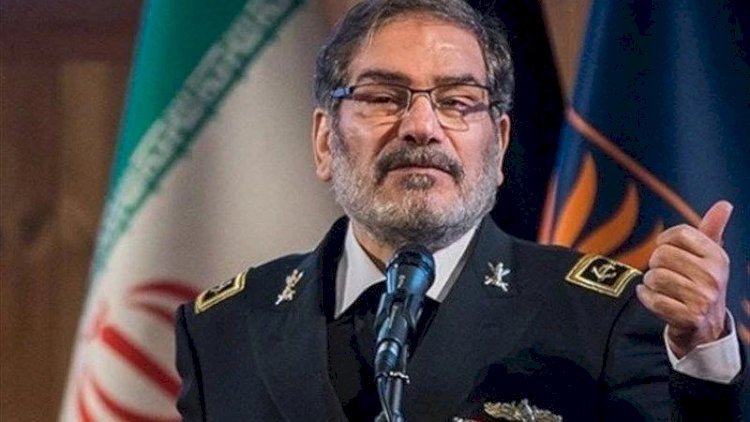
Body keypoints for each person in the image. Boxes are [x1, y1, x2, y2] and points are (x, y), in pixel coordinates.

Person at [174, 0, 744, 420]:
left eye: (457, 102)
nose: (422, 127)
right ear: (325, 141)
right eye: (383, 97)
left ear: (498, 146)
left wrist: (702, 351)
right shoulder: (222, 329)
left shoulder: (603, 318)